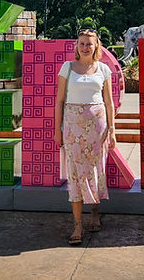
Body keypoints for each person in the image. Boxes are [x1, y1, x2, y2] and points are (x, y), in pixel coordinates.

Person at [54, 28, 116, 245]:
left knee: (96, 170)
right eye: (82, 43)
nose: (85, 47)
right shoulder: (67, 68)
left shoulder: (104, 69)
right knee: (75, 173)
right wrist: (57, 130)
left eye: (89, 43)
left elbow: (108, 102)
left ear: (96, 46)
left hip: (97, 128)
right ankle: (77, 225)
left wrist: (112, 129)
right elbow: (59, 101)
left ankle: (95, 212)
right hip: (72, 128)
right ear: (77, 46)